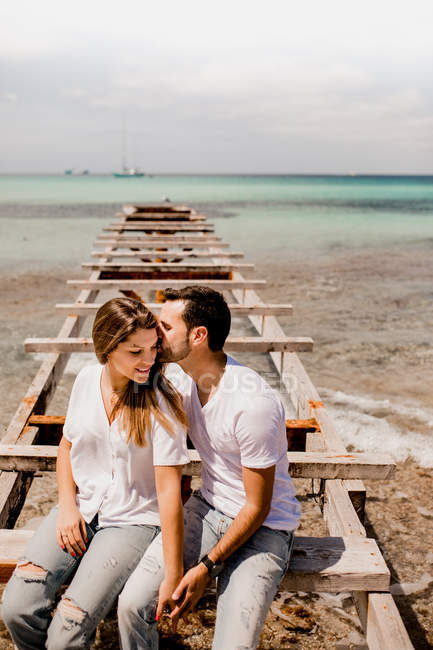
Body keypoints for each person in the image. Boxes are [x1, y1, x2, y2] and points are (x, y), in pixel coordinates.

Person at [118, 286, 301, 650]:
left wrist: (205, 568)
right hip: (209, 507)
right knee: (132, 606)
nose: (155, 333)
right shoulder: (183, 380)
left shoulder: (252, 403)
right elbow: (124, 369)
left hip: (265, 528)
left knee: (232, 645)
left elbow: (257, 506)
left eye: (165, 327)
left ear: (198, 336)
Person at [2, 297, 189, 650]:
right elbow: (67, 448)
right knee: (16, 608)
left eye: (152, 348)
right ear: (107, 347)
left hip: (132, 521)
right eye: (136, 351)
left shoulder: (161, 402)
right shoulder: (87, 380)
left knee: (67, 631)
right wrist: (68, 507)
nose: (148, 359)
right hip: (81, 506)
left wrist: (173, 571)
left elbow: (169, 492)